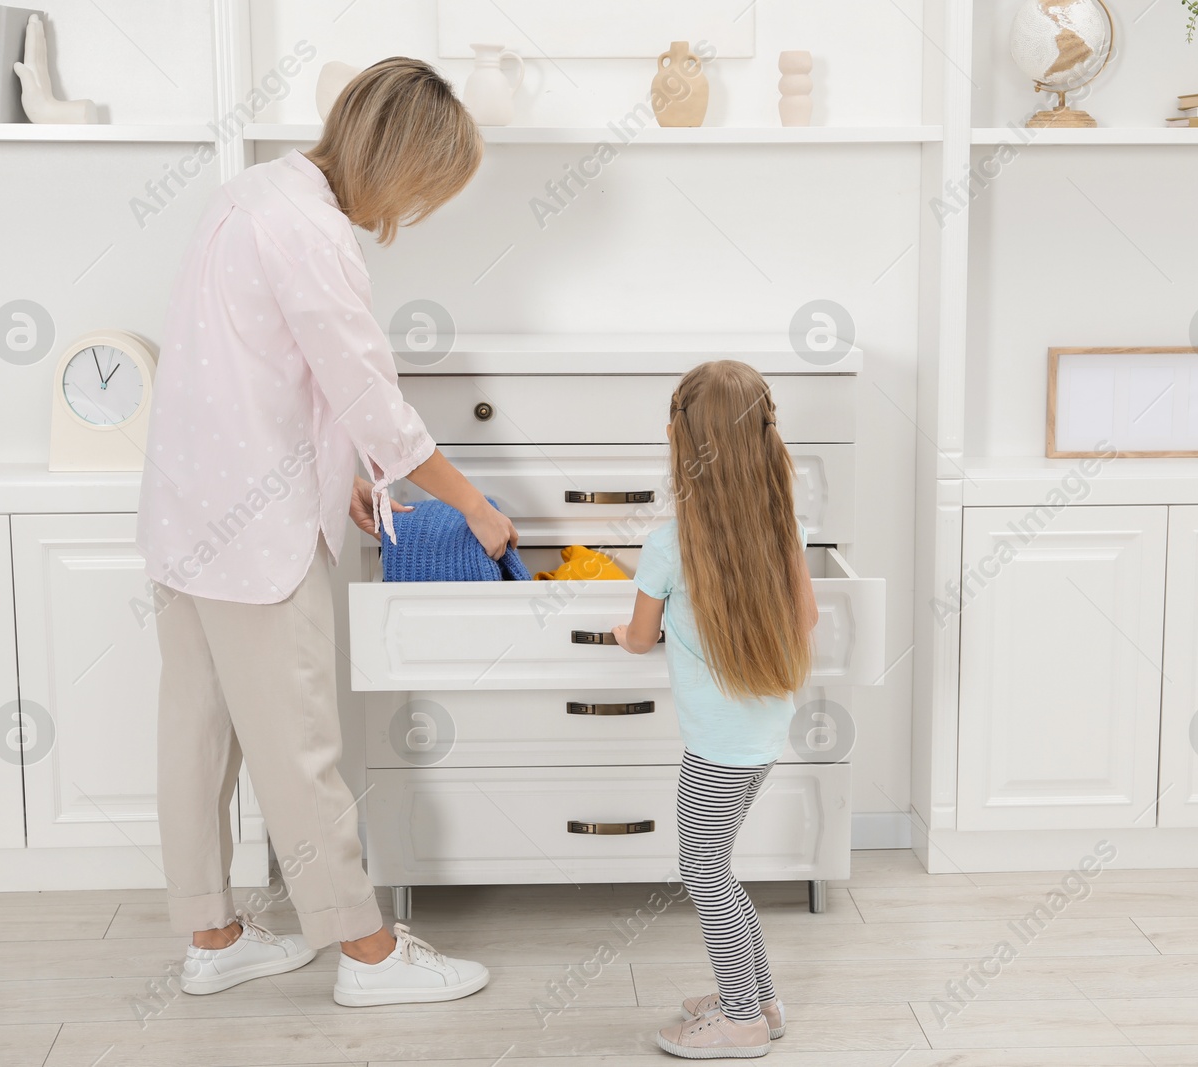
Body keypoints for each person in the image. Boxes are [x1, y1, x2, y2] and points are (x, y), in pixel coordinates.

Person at [134, 57, 517, 1008]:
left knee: (197, 733)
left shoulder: (250, 193)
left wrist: (332, 469)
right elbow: (367, 396)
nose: (416, 211)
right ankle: (369, 955)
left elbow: (256, 368)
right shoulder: (312, 231)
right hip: (255, 531)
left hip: (186, 509)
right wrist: (471, 501)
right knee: (300, 746)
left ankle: (213, 935)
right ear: (396, 161)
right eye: (426, 190)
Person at [611, 360, 819, 1059]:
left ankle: (740, 1021)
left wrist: (627, 631)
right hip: (762, 735)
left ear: (679, 438)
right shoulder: (780, 528)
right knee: (719, 866)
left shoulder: (669, 544)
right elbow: (808, 616)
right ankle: (760, 999)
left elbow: (639, 638)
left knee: (704, 872)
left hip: (715, 745)